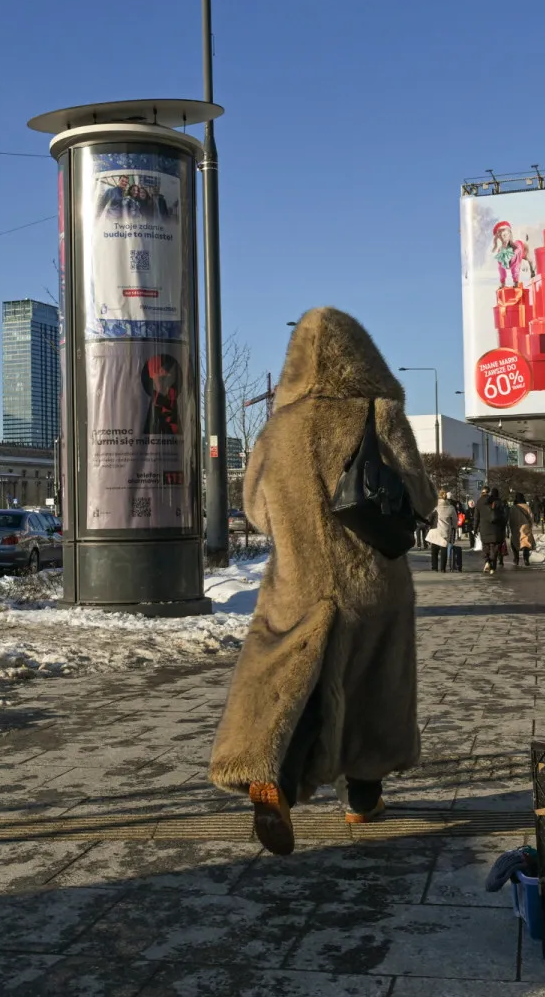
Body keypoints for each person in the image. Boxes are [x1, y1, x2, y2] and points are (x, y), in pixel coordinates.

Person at [208, 307, 433, 855]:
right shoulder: (377, 412)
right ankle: (362, 798)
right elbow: (419, 497)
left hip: (297, 579)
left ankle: (276, 782)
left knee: (299, 678)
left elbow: (258, 511)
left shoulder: (276, 428)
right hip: (371, 578)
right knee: (371, 683)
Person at [474, 487, 508, 574]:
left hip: (484, 528)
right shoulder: (497, 502)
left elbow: (476, 517)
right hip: (495, 528)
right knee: (494, 547)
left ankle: (487, 561)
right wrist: (504, 527)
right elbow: (503, 516)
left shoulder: (479, 502)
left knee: (485, 546)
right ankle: (493, 567)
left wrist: (475, 528)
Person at [429, 491, 459, 572]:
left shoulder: (435, 506)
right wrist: (454, 527)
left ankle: (434, 567)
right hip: (445, 530)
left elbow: (430, 518)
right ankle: (443, 568)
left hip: (435, 530)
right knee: (444, 549)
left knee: (434, 549)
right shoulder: (451, 507)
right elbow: (455, 520)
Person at [510, 492, 537, 567]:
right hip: (525, 526)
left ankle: (516, 558)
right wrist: (530, 526)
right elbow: (531, 517)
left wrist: (511, 527)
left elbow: (510, 519)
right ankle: (526, 558)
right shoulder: (527, 506)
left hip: (516, 527)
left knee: (515, 542)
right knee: (526, 543)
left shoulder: (513, 507)